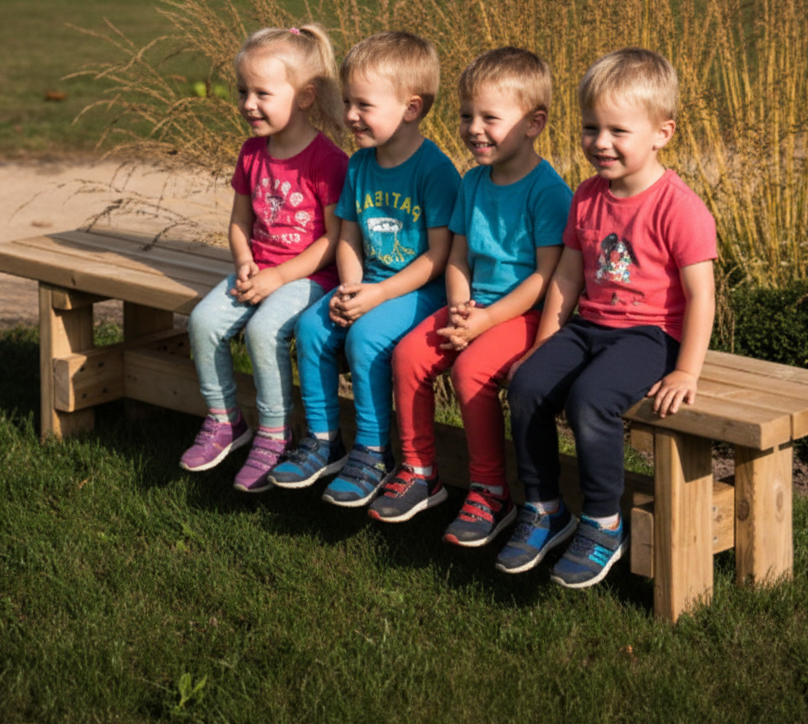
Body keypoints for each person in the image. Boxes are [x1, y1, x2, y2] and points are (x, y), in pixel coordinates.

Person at [505, 47, 717, 585]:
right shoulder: (586, 196)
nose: (601, 142)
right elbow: (568, 277)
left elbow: (701, 297)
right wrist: (544, 343)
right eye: (591, 128)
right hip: (589, 327)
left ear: (662, 133)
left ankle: (603, 522)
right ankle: (544, 507)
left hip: (652, 335)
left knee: (591, 398)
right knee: (527, 384)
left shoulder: (679, 206)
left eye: (618, 131)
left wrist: (686, 370)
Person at [367, 47, 572, 552]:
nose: (473, 129)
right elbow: (458, 256)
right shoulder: (473, 182)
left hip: (523, 315)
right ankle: (419, 470)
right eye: (466, 116)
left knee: (471, 370)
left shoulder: (548, 191)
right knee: (409, 354)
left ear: (534, 123)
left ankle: (490, 491)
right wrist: (461, 307)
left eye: (489, 118)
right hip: (474, 306)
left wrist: (485, 320)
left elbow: (544, 278)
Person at [269, 31, 461, 506]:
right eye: (348, 102)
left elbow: (438, 256)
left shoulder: (434, 170)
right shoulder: (359, 166)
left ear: (411, 108)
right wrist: (352, 288)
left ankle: (373, 452)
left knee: (366, 337)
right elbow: (349, 236)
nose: (350, 115)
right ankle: (323, 439)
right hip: (370, 283)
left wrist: (377, 296)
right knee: (313, 327)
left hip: (422, 289)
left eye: (364, 105)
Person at [179, 24, 348, 493]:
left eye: (262, 93)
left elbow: (333, 240)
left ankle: (276, 434)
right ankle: (225, 420)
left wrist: (279, 277)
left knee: (263, 329)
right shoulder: (252, 153)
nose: (248, 104)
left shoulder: (327, 160)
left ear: (305, 96)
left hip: (311, 275)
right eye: (242, 91)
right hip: (259, 270)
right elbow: (239, 221)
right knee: (202, 321)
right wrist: (243, 261)